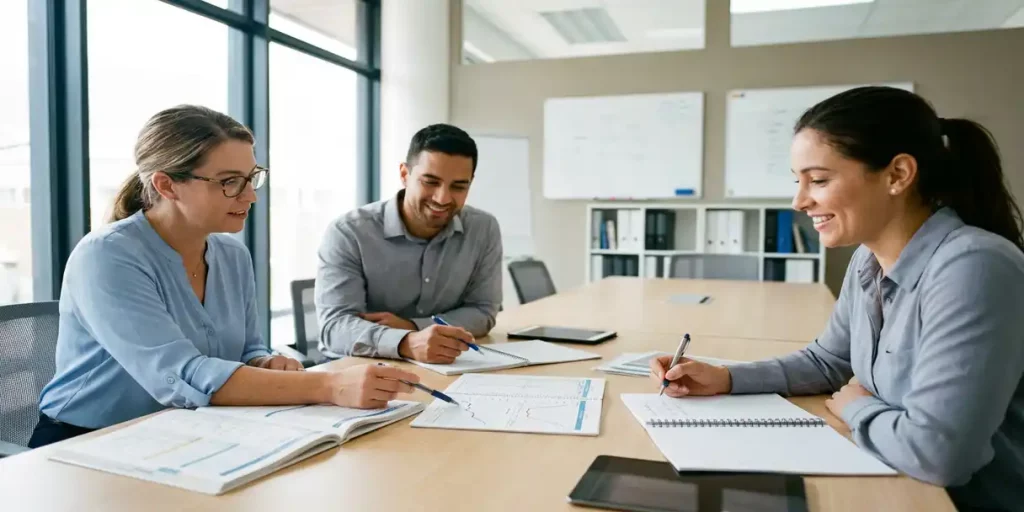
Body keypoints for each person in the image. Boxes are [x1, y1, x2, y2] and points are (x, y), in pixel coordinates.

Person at [650, 86, 1024, 511]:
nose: (799, 200)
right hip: (893, 479)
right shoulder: (870, 257)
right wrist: (726, 379)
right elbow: (829, 362)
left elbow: (940, 454)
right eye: (799, 181)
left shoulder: (973, 267)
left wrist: (857, 408)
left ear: (898, 174)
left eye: (819, 180)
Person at [30, 105, 420, 448]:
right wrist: (331, 386)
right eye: (230, 182)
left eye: (252, 178)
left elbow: (248, 349)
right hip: (87, 443)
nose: (250, 196)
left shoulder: (232, 253)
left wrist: (265, 362)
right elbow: (182, 375)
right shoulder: (108, 256)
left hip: (187, 434)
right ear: (166, 184)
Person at [316, 123, 502, 364]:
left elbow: (483, 312)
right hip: (359, 367)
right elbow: (335, 327)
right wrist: (405, 342)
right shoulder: (349, 232)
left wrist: (413, 326)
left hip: (441, 365)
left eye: (458, 186)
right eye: (430, 182)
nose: (443, 198)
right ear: (405, 174)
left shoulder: (483, 229)